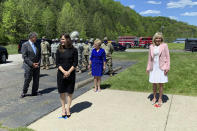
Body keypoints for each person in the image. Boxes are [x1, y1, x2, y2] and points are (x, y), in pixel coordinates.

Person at [56, 34, 78, 118]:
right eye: (61, 39)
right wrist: (64, 72)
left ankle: (68, 108)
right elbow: (57, 63)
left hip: (71, 74)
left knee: (69, 92)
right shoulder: (59, 50)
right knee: (62, 92)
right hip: (61, 74)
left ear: (68, 40)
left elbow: (75, 63)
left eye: (63, 39)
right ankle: (63, 108)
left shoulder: (74, 50)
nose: (61, 40)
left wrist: (68, 72)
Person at [146, 32, 170, 106]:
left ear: (161, 39)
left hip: (162, 67)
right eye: (157, 38)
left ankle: (160, 98)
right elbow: (149, 58)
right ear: (154, 39)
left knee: (161, 84)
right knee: (154, 83)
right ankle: (154, 97)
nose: (158, 39)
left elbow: (168, 57)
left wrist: (167, 67)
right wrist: (148, 68)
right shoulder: (151, 46)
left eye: (159, 38)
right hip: (154, 67)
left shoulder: (164, 46)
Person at [20, 32, 41, 98]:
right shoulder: (25, 45)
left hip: (37, 65)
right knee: (27, 79)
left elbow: (39, 55)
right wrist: (32, 64)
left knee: (36, 79)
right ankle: (24, 92)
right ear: (31, 38)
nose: (36, 39)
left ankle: (34, 92)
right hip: (28, 65)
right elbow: (24, 56)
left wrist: (38, 62)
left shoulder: (37, 44)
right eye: (35, 37)